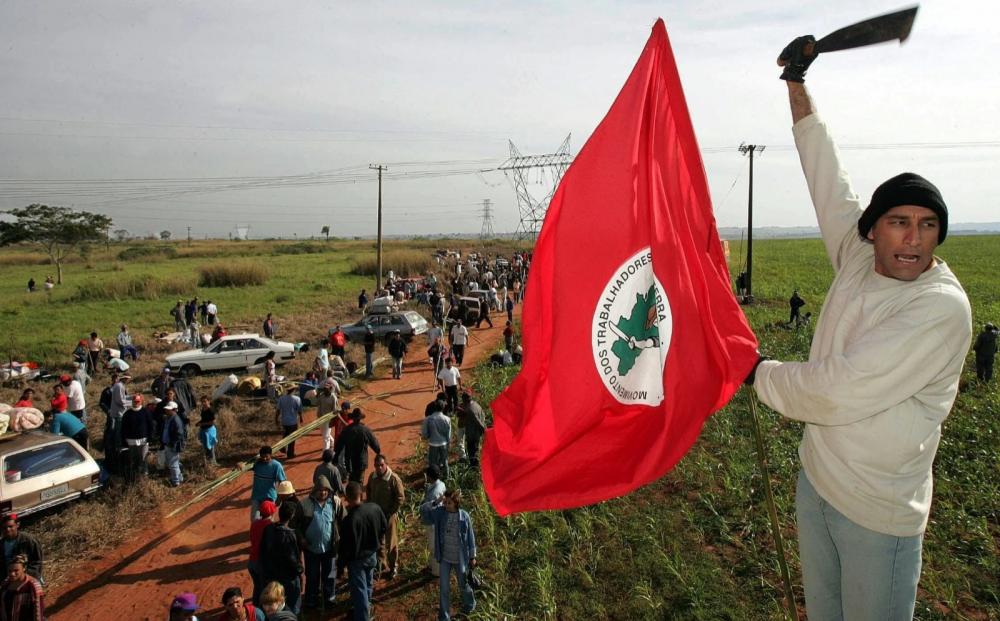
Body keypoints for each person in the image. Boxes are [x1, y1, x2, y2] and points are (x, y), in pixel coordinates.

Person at [748, 45, 972, 621]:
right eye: (899, 223)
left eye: (927, 227)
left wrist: (758, 373)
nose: (914, 239)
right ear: (873, 231)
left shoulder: (938, 308)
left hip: (877, 511)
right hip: (817, 481)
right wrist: (795, 82)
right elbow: (825, 172)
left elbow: (838, 389)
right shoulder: (856, 256)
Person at [420, 489, 477, 621]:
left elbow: (470, 538)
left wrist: (472, 557)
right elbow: (423, 510)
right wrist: (436, 502)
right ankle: (444, 617)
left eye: (449, 503)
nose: (446, 505)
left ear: (456, 503)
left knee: (463, 584)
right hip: (445, 558)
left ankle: (470, 604)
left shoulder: (464, 517)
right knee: (444, 588)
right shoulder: (440, 513)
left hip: (460, 559)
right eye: (445, 502)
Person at [339, 481, 386, 621]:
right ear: (361, 494)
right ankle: (367, 609)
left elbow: (344, 547)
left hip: (357, 560)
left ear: (346, 498)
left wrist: (341, 565)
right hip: (372, 554)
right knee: (368, 584)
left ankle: (363, 616)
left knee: (360, 591)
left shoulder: (349, 520)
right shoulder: (374, 508)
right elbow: (383, 527)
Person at [299, 476, 346, 609]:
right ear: (314, 490)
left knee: (330, 575)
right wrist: (301, 538)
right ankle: (311, 601)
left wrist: (341, 541)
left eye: (325, 490)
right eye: (320, 490)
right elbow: (294, 526)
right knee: (312, 576)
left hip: (331, 550)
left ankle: (329, 597)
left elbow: (344, 520)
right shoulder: (305, 504)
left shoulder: (336, 503)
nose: (323, 492)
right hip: (311, 550)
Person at [365, 455, 405, 580]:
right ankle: (381, 566)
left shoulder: (393, 479)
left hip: (389, 517)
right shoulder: (372, 477)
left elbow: (400, 498)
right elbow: (369, 493)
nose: (379, 468)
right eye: (377, 466)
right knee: (379, 543)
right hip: (376, 516)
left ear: (386, 464)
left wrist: (391, 512)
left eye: (381, 465)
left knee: (391, 543)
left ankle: (393, 567)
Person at [260, 502, 303, 615]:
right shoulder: (289, 535)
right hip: (288, 577)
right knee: (293, 605)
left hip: (272, 576)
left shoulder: (268, 529)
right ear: (292, 515)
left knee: (275, 605)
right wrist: (299, 569)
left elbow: (263, 551)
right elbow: (292, 558)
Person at [333, 409, 381, 484]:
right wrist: (378, 452)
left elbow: (339, 446)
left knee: (351, 481)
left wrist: (335, 458)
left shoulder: (347, 430)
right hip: (361, 462)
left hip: (349, 462)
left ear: (352, 418)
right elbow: (375, 445)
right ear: (360, 419)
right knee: (359, 483)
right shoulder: (365, 430)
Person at [248, 499, 277, 607]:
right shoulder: (271, 526)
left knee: (257, 587)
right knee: (267, 589)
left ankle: (256, 609)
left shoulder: (254, 524)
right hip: (262, 563)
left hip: (252, 561)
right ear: (273, 512)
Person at [0, 554, 44, 621]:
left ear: (24, 568)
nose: (12, 574)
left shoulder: (33, 586)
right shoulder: (5, 585)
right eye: (10, 571)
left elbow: (38, 613)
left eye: (16, 570)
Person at [0, 516, 42, 583]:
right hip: (9, 581)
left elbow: (37, 561)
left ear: (17, 525)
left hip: (28, 579)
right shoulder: (1, 544)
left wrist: (27, 578)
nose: (7, 529)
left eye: (10, 526)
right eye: (4, 528)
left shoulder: (28, 540)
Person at [250, 446, 286, 522]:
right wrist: (240, 465)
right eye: (262, 457)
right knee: (254, 520)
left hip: (269, 497)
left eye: (266, 457)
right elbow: (245, 467)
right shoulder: (256, 463)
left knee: (268, 521)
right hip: (256, 497)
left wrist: (279, 497)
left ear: (271, 455)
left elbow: (282, 482)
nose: (264, 459)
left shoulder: (276, 466)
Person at [422, 466, 446, 577]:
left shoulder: (434, 493)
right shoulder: (441, 484)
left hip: (433, 523)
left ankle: (436, 571)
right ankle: (432, 566)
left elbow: (429, 507)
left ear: (430, 477)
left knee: (433, 547)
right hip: (438, 521)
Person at [122, 394, 152, 479]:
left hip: (143, 440)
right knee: (133, 459)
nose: (136, 403)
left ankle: (144, 475)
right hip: (131, 441)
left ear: (141, 402)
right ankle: (134, 475)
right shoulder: (127, 414)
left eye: (138, 401)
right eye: (134, 401)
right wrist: (124, 440)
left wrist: (150, 437)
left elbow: (151, 425)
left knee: (143, 459)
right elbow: (123, 428)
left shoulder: (145, 412)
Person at [421, 399, 451, 480]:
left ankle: (435, 479)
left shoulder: (428, 419)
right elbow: (448, 435)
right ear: (443, 408)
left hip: (433, 444)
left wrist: (427, 437)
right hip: (444, 443)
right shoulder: (447, 419)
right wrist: (448, 444)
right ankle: (446, 478)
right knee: (445, 461)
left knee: (433, 463)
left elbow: (424, 434)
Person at [161, 401, 186, 487]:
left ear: (174, 410)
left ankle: (176, 482)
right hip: (169, 444)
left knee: (173, 464)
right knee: (174, 463)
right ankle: (179, 478)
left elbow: (179, 434)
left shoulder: (176, 420)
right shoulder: (169, 418)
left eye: (169, 410)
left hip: (172, 445)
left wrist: (171, 443)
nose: (166, 411)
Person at [459, 392, 487, 468]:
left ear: (465, 400)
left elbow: (478, 422)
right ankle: (474, 465)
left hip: (473, 434)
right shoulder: (476, 405)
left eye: (463, 400)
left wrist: (485, 431)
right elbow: (483, 415)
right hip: (476, 433)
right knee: (475, 449)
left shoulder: (470, 410)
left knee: (472, 450)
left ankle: (474, 466)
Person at [275, 387, 303, 459]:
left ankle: (283, 447)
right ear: (293, 390)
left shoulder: (281, 398)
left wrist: (276, 419)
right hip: (293, 422)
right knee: (292, 438)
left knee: (286, 434)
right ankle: (290, 454)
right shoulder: (297, 399)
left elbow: (278, 410)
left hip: (284, 421)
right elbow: (299, 410)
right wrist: (301, 418)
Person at [314, 379, 339, 453]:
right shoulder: (321, 396)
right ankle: (332, 441)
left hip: (328, 419)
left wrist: (333, 419)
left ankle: (325, 452)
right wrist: (317, 396)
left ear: (330, 389)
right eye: (324, 389)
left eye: (326, 389)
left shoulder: (333, 397)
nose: (325, 390)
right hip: (321, 417)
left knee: (325, 437)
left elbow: (334, 410)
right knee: (324, 433)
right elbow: (317, 403)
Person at [197, 395, 218, 466]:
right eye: (202, 402)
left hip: (209, 430)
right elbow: (204, 419)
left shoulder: (211, 410)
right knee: (205, 447)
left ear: (208, 401)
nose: (203, 403)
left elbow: (213, 422)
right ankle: (208, 462)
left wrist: (202, 424)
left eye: (205, 401)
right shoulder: (203, 409)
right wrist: (199, 423)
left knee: (210, 447)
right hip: (204, 430)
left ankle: (212, 463)